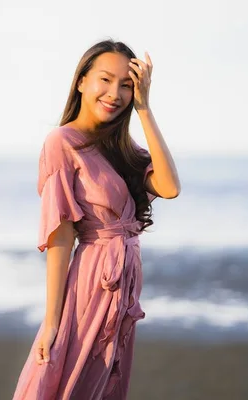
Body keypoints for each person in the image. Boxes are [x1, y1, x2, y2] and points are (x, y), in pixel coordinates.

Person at [11, 39, 181, 399]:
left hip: (125, 282)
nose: (114, 93)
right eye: (105, 79)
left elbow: (169, 186)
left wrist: (145, 110)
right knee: (68, 383)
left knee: (105, 385)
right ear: (81, 81)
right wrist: (51, 321)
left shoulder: (122, 149)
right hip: (91, 282)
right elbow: (60, 236)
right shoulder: (61, 142)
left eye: (126, 85)